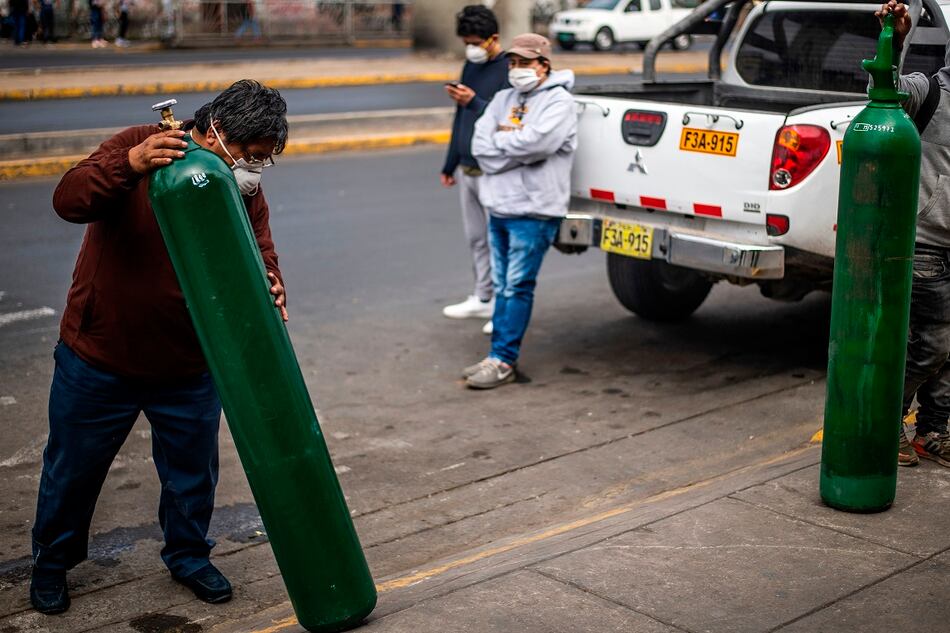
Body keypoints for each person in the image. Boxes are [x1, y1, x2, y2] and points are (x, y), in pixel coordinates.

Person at [30, 80, 289, 615]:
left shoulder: (244, 192)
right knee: (72, 471)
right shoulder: (143, 144)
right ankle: (51, 564)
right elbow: (68, 199)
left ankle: (189, 556)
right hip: (100, 357)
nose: (255, 170)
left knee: (191, 474)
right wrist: (128, 163)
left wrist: (270, 281)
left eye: (265, 161)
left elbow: (260, 251)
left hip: (189, 366)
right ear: (217, 132)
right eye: (251, 155)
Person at [465, 33, 577, 389]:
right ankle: (496, 353)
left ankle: (502, 359)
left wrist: (502, 147)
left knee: (516, 286)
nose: (516, 70)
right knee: (503, 285)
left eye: (524, 63)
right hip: (498, 205)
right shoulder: (502, 98)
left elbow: (538, 144)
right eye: (512, 63)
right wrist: (512, 148)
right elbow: (480, 146)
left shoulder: (560, 102)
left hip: (535, 209)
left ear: (543, 65)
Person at [877, 2, 950, 469]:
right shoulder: (932, 91)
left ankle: (934, 432)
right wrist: (894, 39)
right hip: (926, 243)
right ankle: (884, 421)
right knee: (934, 344)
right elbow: (882, 89)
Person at [440, 5, 509, 330]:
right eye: (466, 41)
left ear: (493, 38)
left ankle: (502, 304)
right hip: (467, 167)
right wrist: (450, 161)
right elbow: (461, 116)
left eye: (475, 41)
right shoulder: (471, 65)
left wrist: (475, 102)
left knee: (498, 239)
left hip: (495, 169)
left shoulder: (509, 68)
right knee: (476, 238)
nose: (471, 47)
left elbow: (507, 121)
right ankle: (483, 298)